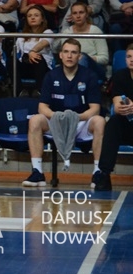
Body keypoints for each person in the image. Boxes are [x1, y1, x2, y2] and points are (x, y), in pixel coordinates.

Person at [21, 38, 106, 187]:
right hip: (56, 121)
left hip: (81, 122)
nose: (69, 56)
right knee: (35, 120)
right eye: (66, 52)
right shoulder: (51, 75)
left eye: (74, 52)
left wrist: (75, 117)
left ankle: (98, 172)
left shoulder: (89, 76)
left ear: (79, 56)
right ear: (60, 55)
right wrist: (57, 116)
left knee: (99, 121)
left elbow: (95, 108)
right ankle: (37, 172)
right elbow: (42, 107)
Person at [95, 43, 133, 191]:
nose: (131, 60)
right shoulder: (120, 76)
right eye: (129, 56)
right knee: (113, 123)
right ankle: (104, 174)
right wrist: (120, 107)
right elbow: (116, 100)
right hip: (128, 122)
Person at [56, 3, 109, 82]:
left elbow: (104, 58)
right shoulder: (67, 32)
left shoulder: (95, 31)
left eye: (81, 12)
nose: (78, 16)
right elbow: (64, 56)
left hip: (95, 70)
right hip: (71, 67)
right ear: (71, 16)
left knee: (82, 57)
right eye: (75, 13)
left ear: (86, 14)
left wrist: (84, 58)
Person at [16, 5, 54, 95]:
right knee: (11, 61)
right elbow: (18, 54)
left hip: (42, 67)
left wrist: (32, 51)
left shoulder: (48, 32)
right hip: (26, 66)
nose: (32, 18)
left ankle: (39, 91)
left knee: (37, 57)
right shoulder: (22, 36)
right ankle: (20, 91)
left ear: (42, 19)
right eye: (29, 16)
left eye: (36, 15)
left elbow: (43, 43)